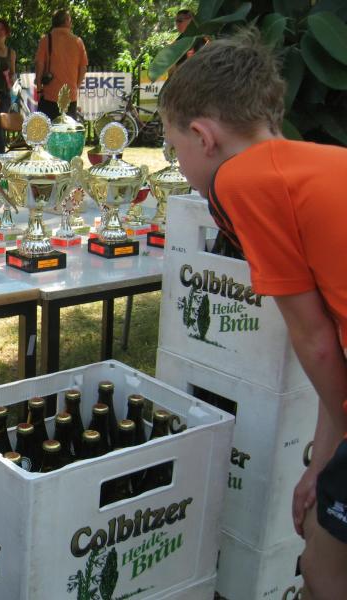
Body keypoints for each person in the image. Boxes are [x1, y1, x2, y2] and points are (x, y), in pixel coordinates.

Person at [159, 29, 347, 600]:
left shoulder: (242, 182)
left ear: (203, 136)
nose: (179, 164)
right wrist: (324, 459)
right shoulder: (321, 163)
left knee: (324, 574)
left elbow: (315, 341)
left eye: (174, 150)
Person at [34, 9, 88, 121]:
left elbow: (39, 65)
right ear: (67, 21)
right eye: (70, 20)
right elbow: (83, 68)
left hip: (49, 95)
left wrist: (39, 88)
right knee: (68, 130)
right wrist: (75, 87)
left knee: (46, 129)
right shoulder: (78, 42)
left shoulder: (45, 40)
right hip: (70, 96)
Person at [0, 18, 16, 154]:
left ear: (7, 32)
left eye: (2, 29)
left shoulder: (11, 52)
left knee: (0, 129)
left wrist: (10, 77)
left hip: (4, 95)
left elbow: (13, 74)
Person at [169, 9, 207, 75]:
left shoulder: (204, 38)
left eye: (180, 20)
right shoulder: (177, 42)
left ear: (191, 20)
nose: (177, 24)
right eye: (176, 21)